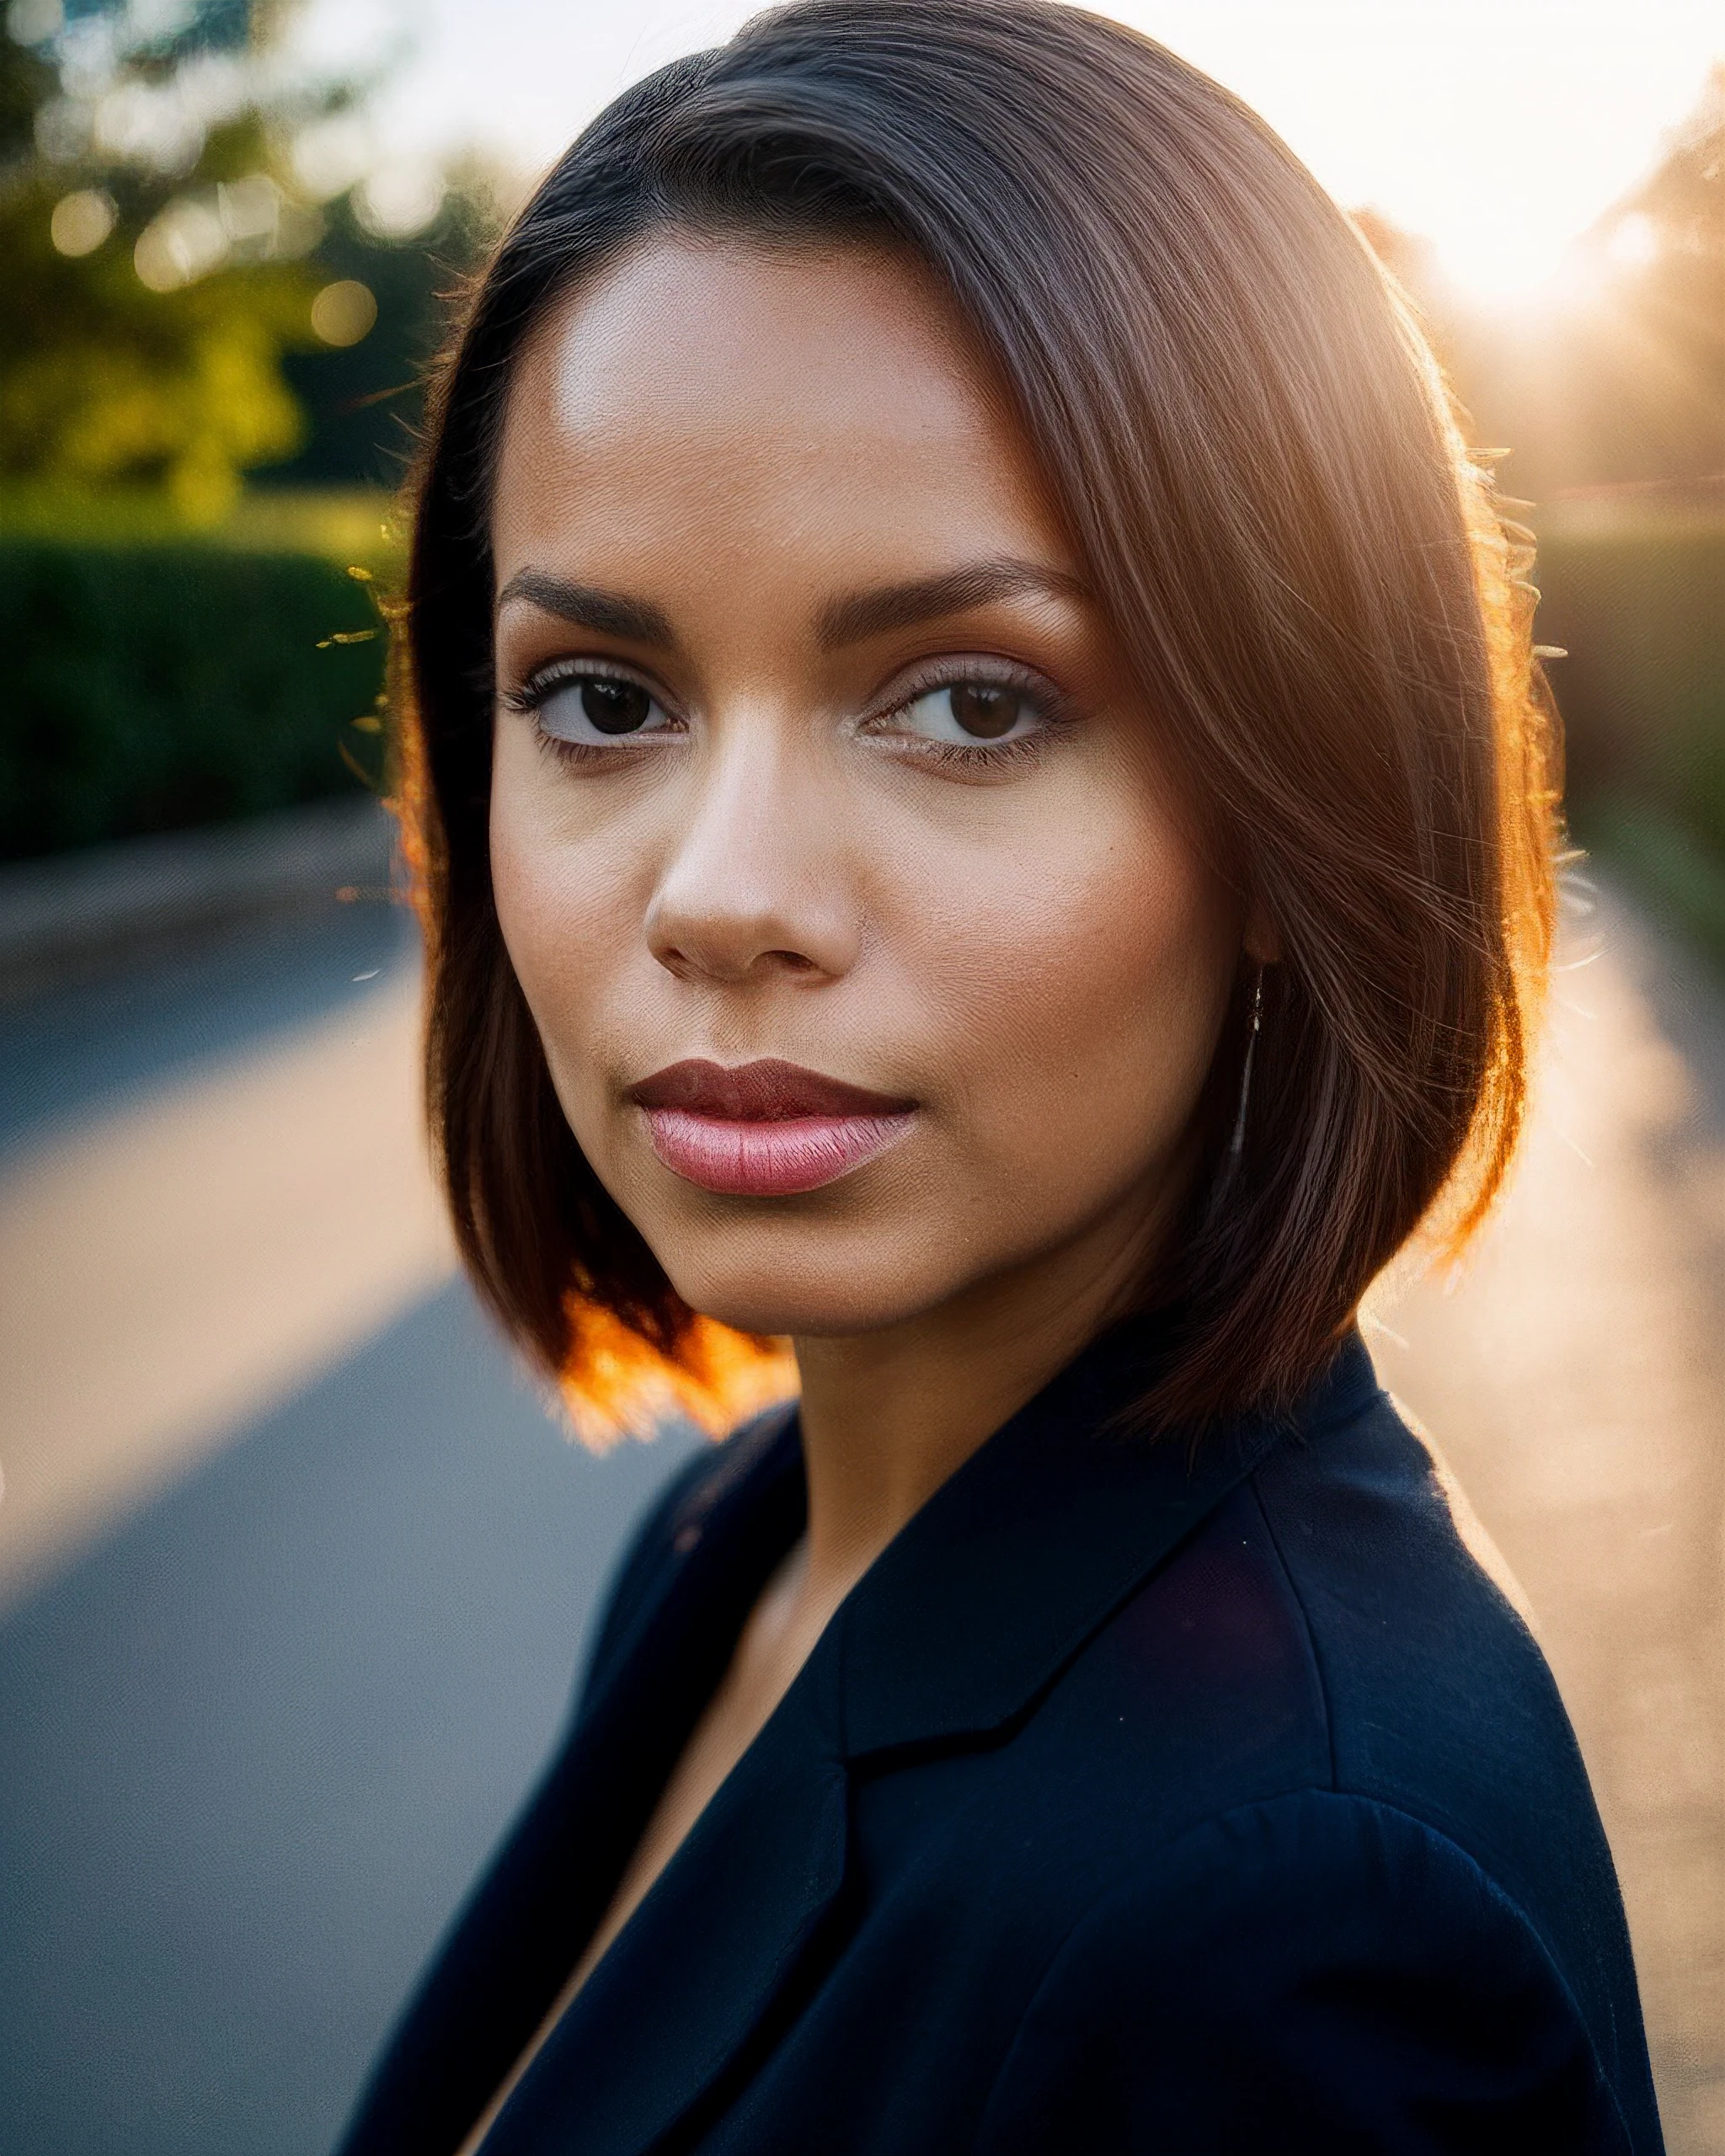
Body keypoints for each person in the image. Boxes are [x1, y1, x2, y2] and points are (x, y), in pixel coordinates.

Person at [337, 3, 1663, 2149]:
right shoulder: (736, 1536)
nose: (723, 893)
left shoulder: (1298, 1924)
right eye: (597, 694)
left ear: (1286, 793)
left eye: (967, 706)